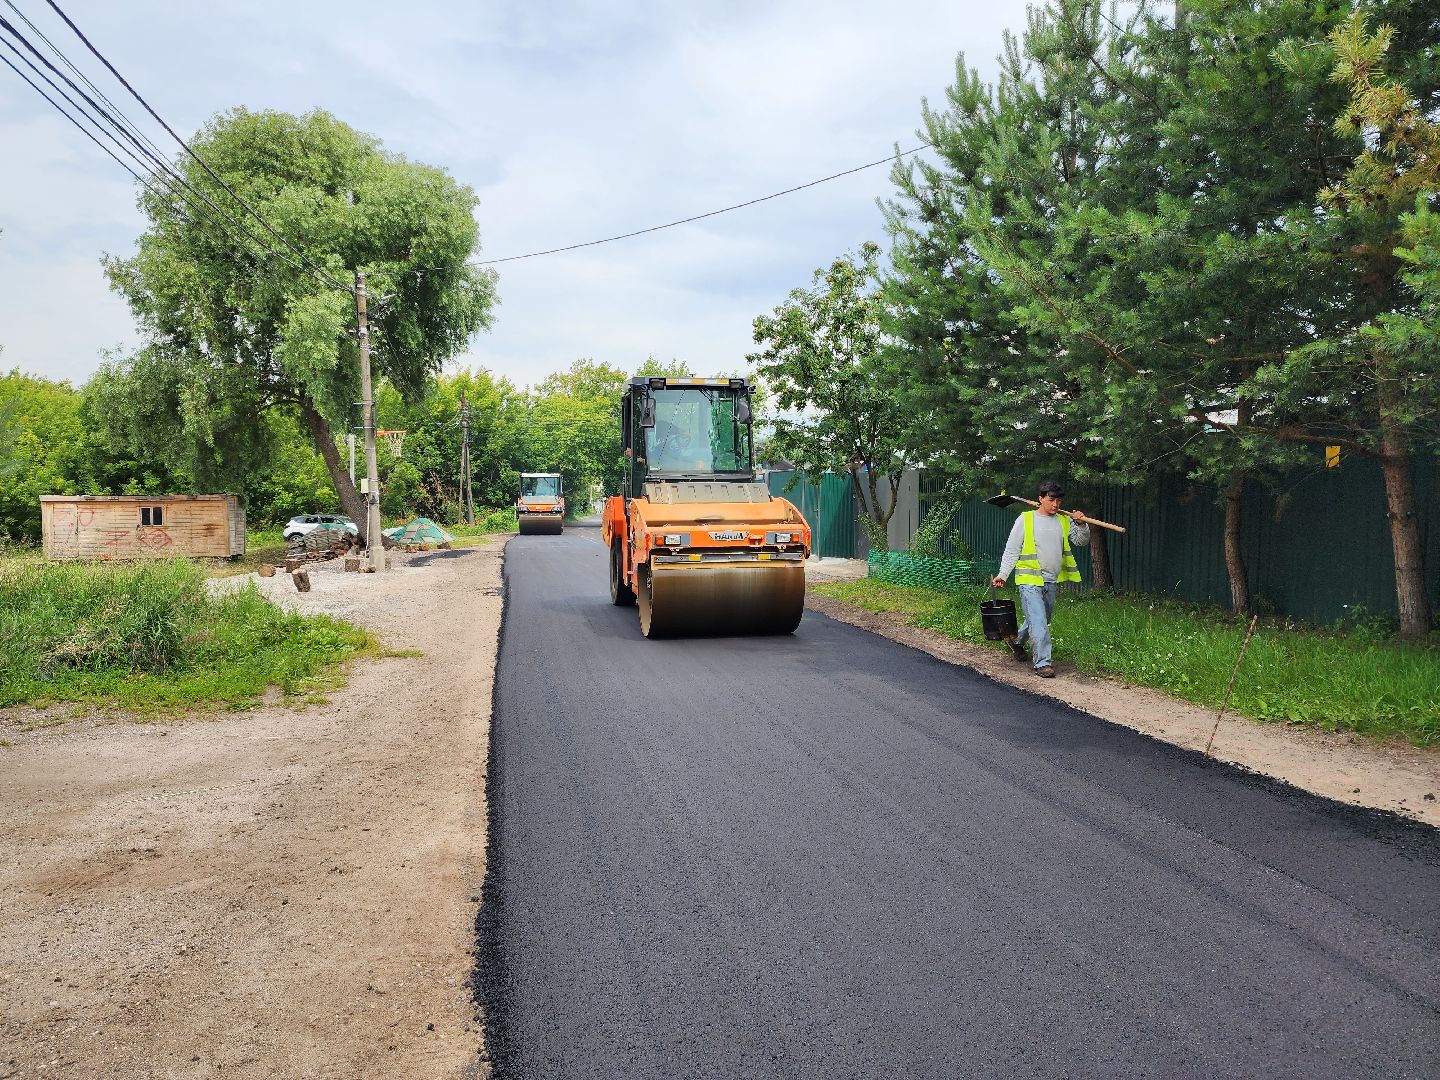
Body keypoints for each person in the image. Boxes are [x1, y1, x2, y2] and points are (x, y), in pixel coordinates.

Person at [991, 480, 1090, 678]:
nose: (1055, 505)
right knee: (1039, 621)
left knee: (1043, 618)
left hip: (1050, 580)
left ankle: (1017, 641)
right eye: (1051, 500)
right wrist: (1003, 574)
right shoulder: (1025, 520)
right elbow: (1012, 550)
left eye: (1058, 501)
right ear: (1040, 499)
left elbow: (1081, 541)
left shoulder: (1063, 520)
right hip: (1028, 579)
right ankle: (1042, 663)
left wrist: (1082, 523)